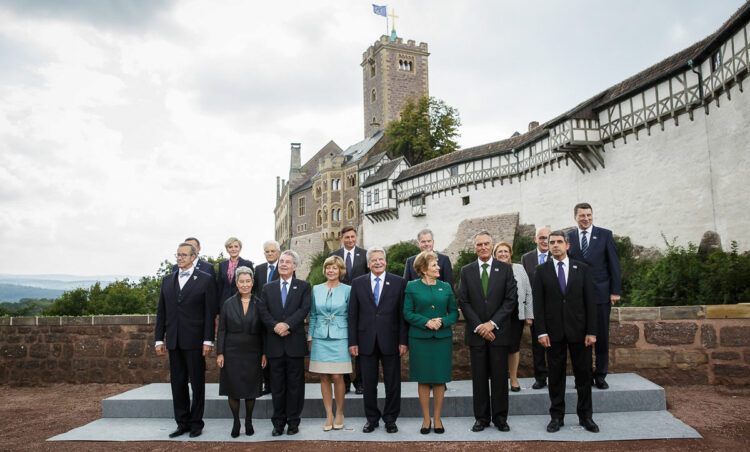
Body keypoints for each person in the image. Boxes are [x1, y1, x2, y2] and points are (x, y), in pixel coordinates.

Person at [533, 230, 599, 433]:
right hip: (553, 334)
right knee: (555, 377)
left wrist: (592, 331)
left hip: (580, 332)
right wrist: (541, 332)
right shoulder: (541, 271)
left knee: (584, 376)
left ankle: (586, 416)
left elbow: (590, 302)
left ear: (567, 245)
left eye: (559, 242)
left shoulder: (583, 269)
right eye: (551, 242)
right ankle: (556, 417)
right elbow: (538, 304)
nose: (554, 245)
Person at [154, 242, 216, 438]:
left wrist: (208, 340)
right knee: (177, 383)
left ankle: (196, 423)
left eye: (183, 255)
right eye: (178, 254)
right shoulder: (167, 280)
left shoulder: (206, 280)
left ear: (193, 257)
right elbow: (161, 312)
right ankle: (182, 423)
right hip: (173, 340)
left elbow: (209, 313)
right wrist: (158, 339)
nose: (179, 258)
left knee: (197, 384)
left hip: (196, 341)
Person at [458, 230, 517, 433]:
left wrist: (492, 324)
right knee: (479, 379)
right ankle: (481, 418)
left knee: (500, 378)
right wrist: (479, 326)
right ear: (474, 247)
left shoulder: (505, 269)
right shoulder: (466, 271)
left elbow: (510, 300)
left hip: (498, 333)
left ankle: (500, 418)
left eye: (486, 244)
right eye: (479, 244)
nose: (483, 247)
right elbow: (463, 301)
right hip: (477, 335)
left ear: (491, 246)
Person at [348, 246, 408, 434]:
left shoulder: (399, 282)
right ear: (368, 263)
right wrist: (353, 341)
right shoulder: (357, 283)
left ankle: (390, 419)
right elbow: (353, 315)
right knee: (368, 384)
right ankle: (371, 419)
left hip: (391, 341)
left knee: (393, 383)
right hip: (365, 341)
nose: (378, 262)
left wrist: (403, 341)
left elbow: (402, 315)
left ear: (385, 261)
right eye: (374, 260)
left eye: (380, 259)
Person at [567, 203, 622, 390]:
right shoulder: (569, 237)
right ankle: (584, 375)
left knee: (600, 336)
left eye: (589, 215)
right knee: (580, 338)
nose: (586, 219)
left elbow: (614, 263)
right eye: (582, 215)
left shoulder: (605, 235)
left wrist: (615, 291)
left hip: (600, 294)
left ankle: (600, 374)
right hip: (576, 296)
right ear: (575, 217)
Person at [257, 250, 311, 436]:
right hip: (274, 344)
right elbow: (263, 311)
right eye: (282, 262)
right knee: (277, 387)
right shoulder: (267, 288)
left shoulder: (303, 286)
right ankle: (278, 422)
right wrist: (276, 326)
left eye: (288, 262)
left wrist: (287, 324)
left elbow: (304, 309)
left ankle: (293, 421)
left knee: (295, 386)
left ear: (295, 266)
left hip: (294, 344)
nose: (284, 264)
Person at [403, 251, 458, 434]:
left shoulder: (446, 287)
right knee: (424, 380)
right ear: (424, 269)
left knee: (440, 379)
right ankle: (426, 419)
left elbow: (454, 313)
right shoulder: (411, 286)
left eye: (437, 264)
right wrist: (425, 321)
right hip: (420, 339)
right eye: (434, 265)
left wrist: (442, 321)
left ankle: (437, 418)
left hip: (442, 339)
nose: (438, 267)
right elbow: (407, 312)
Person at [216, 266, 266, 437]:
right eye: (241, 281)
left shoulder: (260, 304)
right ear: (236, 283)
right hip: (232, 352)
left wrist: (264, 353)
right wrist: (220, 353)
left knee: (251, 389)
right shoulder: (228, 304)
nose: (245, 285)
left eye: (248, 281)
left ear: (253, 283)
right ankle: (236, 421)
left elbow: (264, 331)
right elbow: (222, 330)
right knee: (234, 389)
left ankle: (249, 420)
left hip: (253, 352)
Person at [307, 256, 352, 431]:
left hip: (341, 336)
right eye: (328, 268)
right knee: (324, 376)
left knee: (338, 376)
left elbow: (352, 315)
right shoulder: (316, 289)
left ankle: (339, 412)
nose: (331, 271)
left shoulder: (348, 290)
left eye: (334, 268)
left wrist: (352, 340)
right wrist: (310, 337)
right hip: (319, 336)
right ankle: (328, 414)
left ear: (340, 270)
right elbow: (312, 315)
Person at [329, 226, 368, 394]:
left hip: (361, 304)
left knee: (360, 344)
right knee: (342, 344)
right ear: (341, 238)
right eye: (347, 237)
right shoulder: (333, 256)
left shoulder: (365, 254)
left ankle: (359, 382)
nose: (350, 240)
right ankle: (344, 382)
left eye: (353, 237)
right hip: (339, 305)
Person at [493, 241, 533, 393]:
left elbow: (528, 291)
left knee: (514, 348)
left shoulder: (519, 268)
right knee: (499, 349)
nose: (503, 254)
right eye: (500, 252)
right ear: (495, 255)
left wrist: (529, 315)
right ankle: (500, 380)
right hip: (497, 316)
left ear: (510, 254)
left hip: (516, 315)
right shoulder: (492, 270)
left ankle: (514, 379)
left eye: (506, 251)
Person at [521, 227, 551, 389]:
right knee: (537, 346)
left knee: (556, 346)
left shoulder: (557, 255)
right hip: (535, 309)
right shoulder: (527, 258)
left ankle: (555, 376)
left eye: (547, 237)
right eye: (541, 238)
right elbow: (525, 287)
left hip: (555, 309)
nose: (545, 241)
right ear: (535, 239)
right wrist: (527, 312)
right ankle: (540, 377)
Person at [253, 239, 282, 395]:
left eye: (272, 251)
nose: (270, 254)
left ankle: (276, 384)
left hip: (278, 317)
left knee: (275, 351)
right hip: (262, 316)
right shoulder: (258, 269)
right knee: (262, 350)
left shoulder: (284, 267)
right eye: (267, 251)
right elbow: (255, 292)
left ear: (278, 252)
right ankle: (267, 384)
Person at [217, 237, 254, 313]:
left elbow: (252, 285)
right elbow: (219, 287)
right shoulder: (222, 265)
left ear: (240, 249)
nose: (233, 249)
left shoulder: (247, 264)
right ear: (227, 249)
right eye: (230, 247)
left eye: (236, 246)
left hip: (242, 302)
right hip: (224, 303)